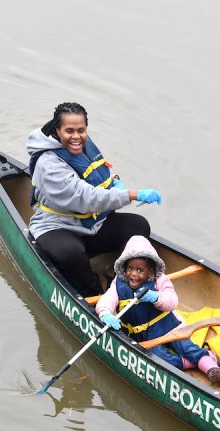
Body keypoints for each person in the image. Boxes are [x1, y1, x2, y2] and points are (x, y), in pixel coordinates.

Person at [27, 102, 162, 297]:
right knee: (71, 253)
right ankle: (93, 293)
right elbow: (85, 197)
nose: (76, 136)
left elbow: (99, 174)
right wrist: (132, 194)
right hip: (57, 226)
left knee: (138, 227)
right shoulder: (48, 164)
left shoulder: (82, 146)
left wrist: (116, 184)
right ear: (58, 130)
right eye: (69, 131)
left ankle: (121, 283)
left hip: (92, 223)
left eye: (81, 130)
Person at [96, 236, 220, 385]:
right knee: (160, 359)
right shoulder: (118, 283)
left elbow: (172, 301)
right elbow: (106, 301)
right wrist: (105, 313)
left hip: (169, 327)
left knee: (186, 346)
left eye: (140, 270)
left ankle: (211, 367)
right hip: (145, 338)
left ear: (150, 271)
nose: (133, 274)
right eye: (130, 269)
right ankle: (198, 361)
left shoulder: (159, 280)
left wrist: (156, 297)